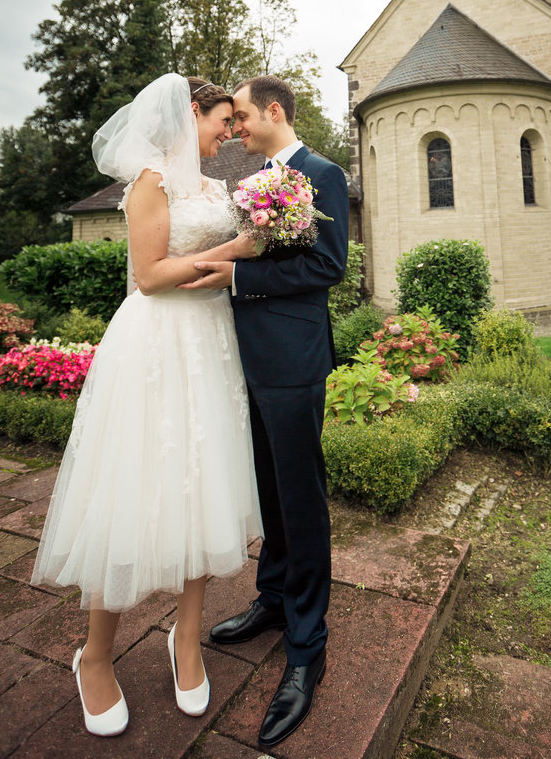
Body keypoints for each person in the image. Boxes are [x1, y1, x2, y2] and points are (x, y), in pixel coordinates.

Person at [31, 73, 262, 737]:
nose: (230, 133)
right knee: (134, 489)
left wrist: (270, 232)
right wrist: (234, 250)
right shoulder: (149, 182)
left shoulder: (217, 186)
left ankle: (185, 640)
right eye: (222, 121)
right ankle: (95, 656)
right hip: (158, 345)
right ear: (194, 112)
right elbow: (153, 276)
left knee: (203, 487)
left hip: (212, 344)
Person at [183, 75, 349, 751]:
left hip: (293, 357)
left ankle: (308, 644)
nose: (237, 128)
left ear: (274, 111)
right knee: (266, 486)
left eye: (245, 116)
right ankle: (274, 598)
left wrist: (236, 278)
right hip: (240, 358)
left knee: (299, 495)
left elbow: (327, 267)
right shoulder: (248, 173)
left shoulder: (321, 173)